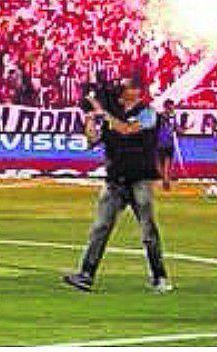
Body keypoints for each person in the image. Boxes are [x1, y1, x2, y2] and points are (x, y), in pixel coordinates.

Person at [63, 76, 172, 293]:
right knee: (100, 228)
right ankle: (86, 274)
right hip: (115, 178)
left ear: (138, 91)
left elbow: (128, 130)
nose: (120, 90)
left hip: (140, 177)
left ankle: (159, 275)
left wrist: (103, 113)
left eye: (126, 87)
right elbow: (93, 139)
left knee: (148, 229)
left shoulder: (148, 113)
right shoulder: (113, 114)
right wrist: (89, 119)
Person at [154, 100, 178, 191]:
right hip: (160, 143)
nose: (172, 109)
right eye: (170, 107)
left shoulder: (173, 117)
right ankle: (165, 178)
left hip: (169, 144)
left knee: (168, 164)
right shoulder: (159, 117)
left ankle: (166, 181)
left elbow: (176, 128)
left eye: (173, 107)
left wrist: (186, 128)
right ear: (166, 107)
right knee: (159, 165)